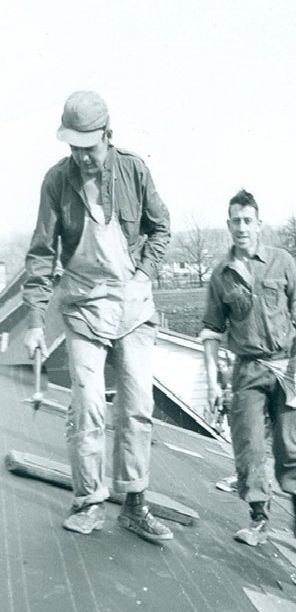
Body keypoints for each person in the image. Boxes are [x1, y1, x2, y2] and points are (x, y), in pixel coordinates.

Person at [23, 90, 173, 544]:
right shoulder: (56, 182)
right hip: (83, 307)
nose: (82, 157)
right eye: (74, 148)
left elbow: (160, 227)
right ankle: (88, 501)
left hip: (132, 306)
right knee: (87, 404)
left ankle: (134, 505)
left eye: (89, 147)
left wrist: (145, 272)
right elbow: (42, 254)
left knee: (137, 406)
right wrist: (33, 322)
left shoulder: (134, 169)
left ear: (108, 136)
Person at [200, 189, 296, 556]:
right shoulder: (221, 275)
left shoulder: (281, 261)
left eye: (248, 220)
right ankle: (259, 520)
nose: (242, 227)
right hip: (247, 371)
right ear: (228, 225)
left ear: (259, 224)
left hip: (286, 367)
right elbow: (211, 334)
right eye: (235, 221)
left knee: (291, 449)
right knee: (250, 448)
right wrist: (211, 383)